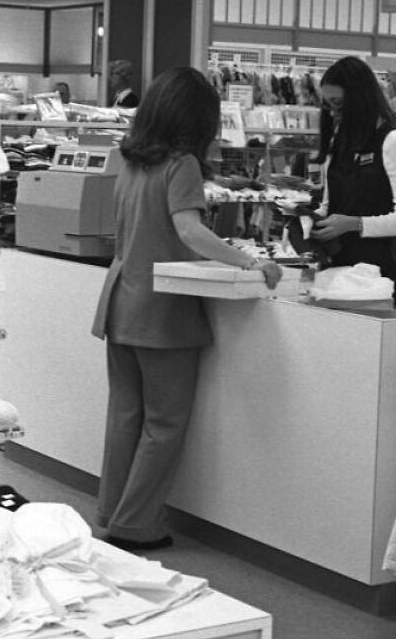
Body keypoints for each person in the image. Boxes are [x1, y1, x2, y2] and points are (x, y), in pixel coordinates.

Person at [91, 66, 282, 552]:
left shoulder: (131, 160)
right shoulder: (182, 165)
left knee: (124, 416)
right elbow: (189, 231)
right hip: (162, 309)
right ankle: (137, 524)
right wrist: (250, 261)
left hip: (121, 300)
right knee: (165, 423)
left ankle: (112, 513)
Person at [310, 56, 396, 307]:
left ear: (358, 98)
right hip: (336, 269)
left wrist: (353, 224)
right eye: (327, 105)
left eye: (338, 103)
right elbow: (330, 204)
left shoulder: (393, 142)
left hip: (375, 276)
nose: (333, 112)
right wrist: (309, 219)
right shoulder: (340, 141)